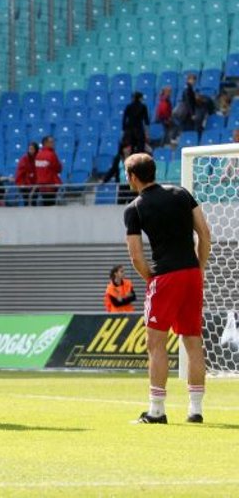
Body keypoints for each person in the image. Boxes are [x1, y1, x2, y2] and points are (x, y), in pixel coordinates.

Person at [122, 153, 210, 424]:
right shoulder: (182, 193)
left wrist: (151, 278)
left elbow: (136, 256)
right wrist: (200, 268)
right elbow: (204, 233)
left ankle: (156, 411)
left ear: (133, 177)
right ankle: (195, 410)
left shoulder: (134, 208)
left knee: (156, 344)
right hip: (191, 274)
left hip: (166, 277)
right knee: (193, 342)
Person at [34, 136, 62, 206]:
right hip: (51, 184)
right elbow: (58, 168)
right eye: (51, 142)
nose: (53, 144)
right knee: (51, 205)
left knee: (45, 203)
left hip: (41, 184)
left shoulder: (38, 155)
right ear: (46, 143)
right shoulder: (51, 155)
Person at [14, 142, 39, 206]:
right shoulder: (24, 159)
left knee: (34, 202)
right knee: (26, 202)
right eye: (29, 149)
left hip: (36, 185)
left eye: (32, 149)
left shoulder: (39, 158)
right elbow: (20, 173)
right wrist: (21, 184)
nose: (31, 150)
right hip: (25, 186)